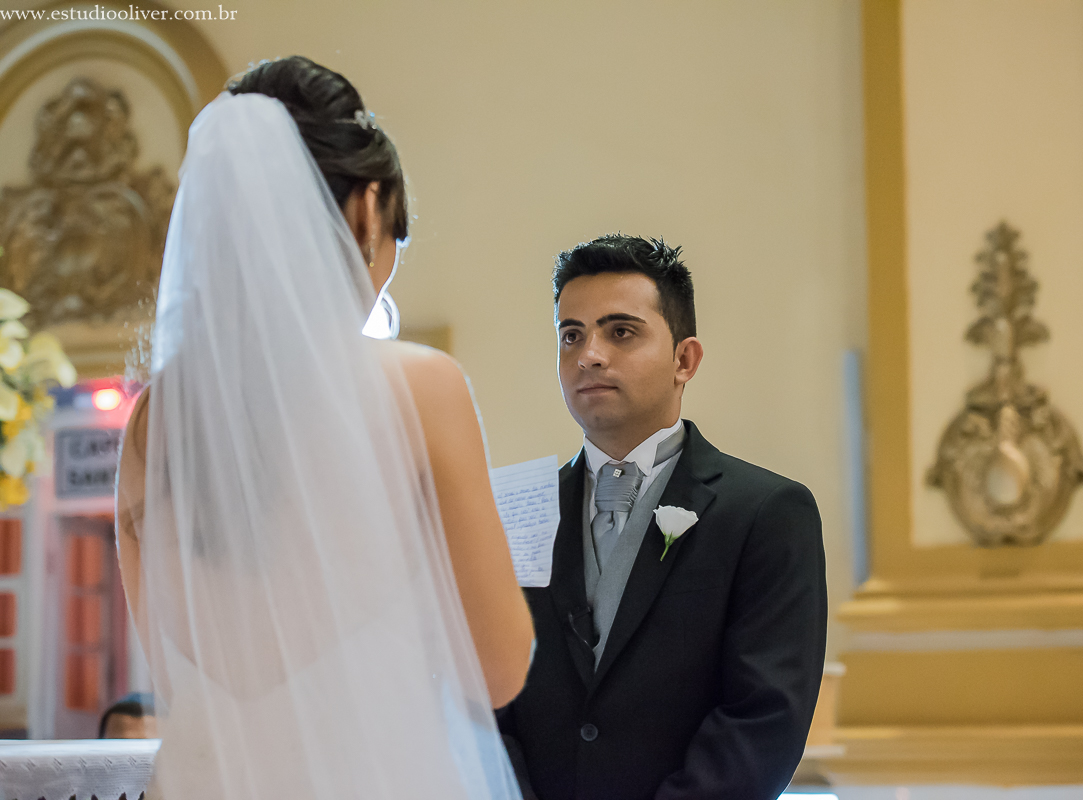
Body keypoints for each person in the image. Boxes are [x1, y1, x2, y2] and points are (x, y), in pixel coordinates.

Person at [114, 57, 533, 799]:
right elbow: (499, 668)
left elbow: (168, 653)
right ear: (368, 208)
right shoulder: (421, 386)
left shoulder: (155, 420)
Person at [496, 235, 828, 800]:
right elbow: (486, 700)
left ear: (684, 359)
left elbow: (763, 718)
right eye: (571, 335)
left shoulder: (767, 513)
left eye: (620, 331)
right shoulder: (514, 510)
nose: (589, 355)